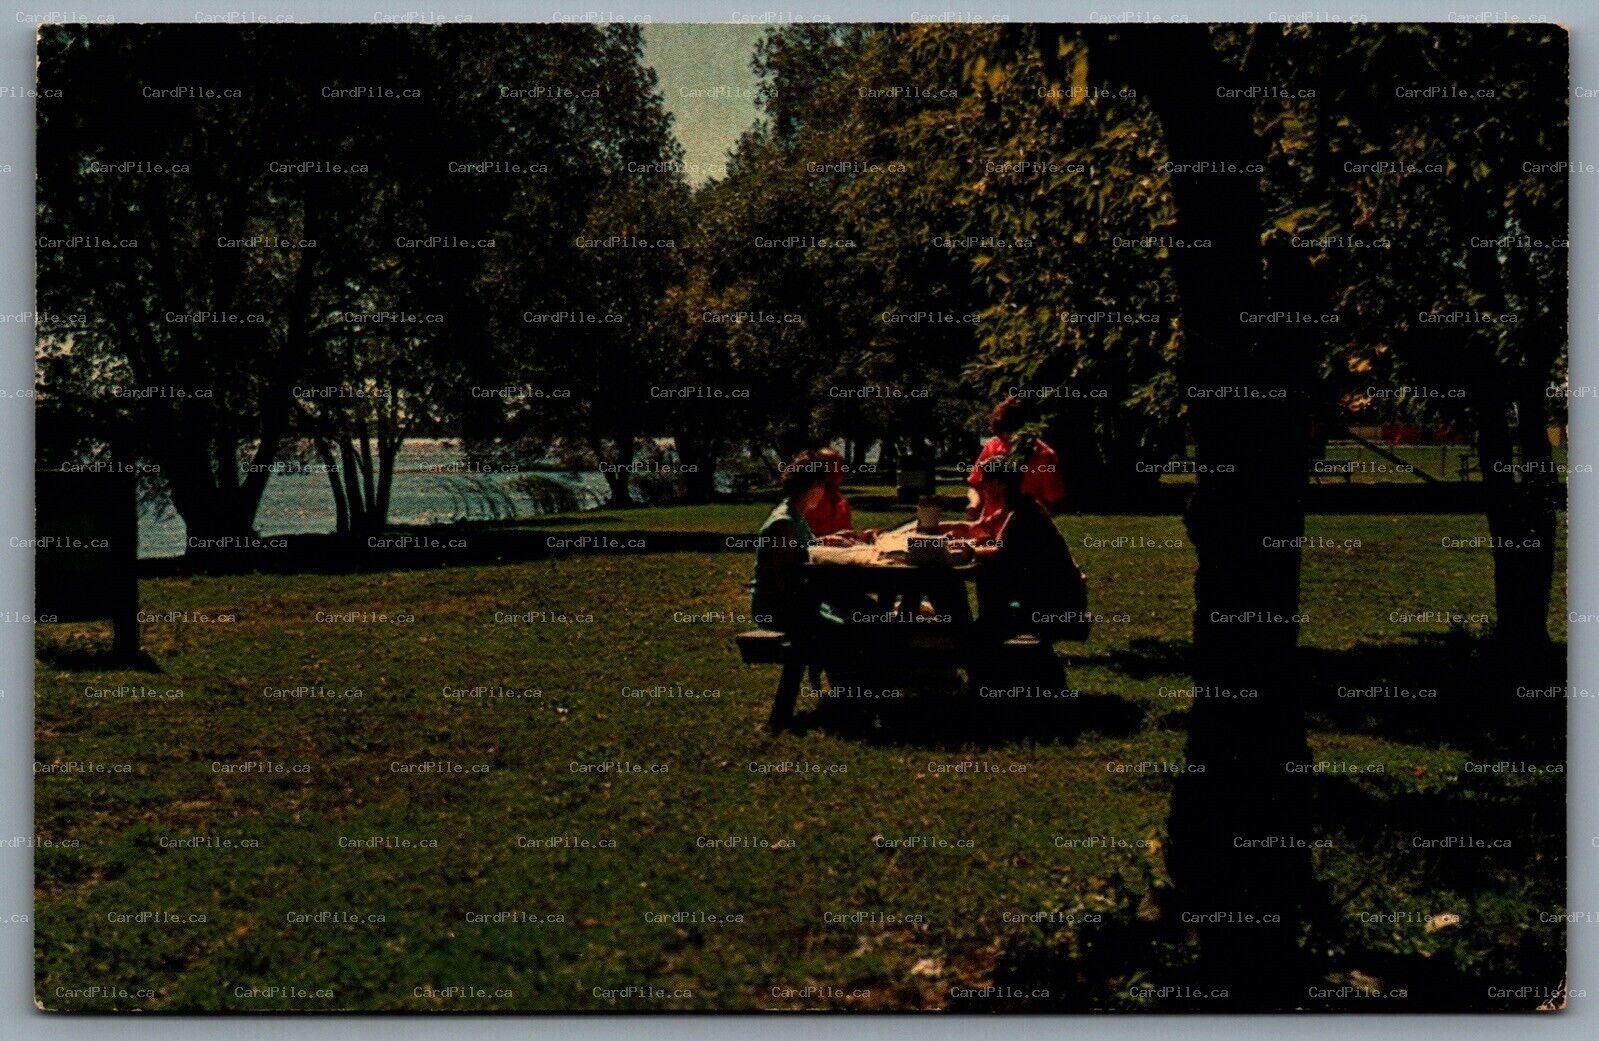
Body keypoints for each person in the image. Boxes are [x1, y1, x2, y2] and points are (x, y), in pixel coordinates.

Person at [967, 396, 1067, 529]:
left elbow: (1053, 501)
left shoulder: (1044, 457)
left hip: (1026, 529)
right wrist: (974, 505)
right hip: (988, 526)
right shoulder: (992, 446)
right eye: (1001, 432)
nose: (1006, 437)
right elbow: (975, 484)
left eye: (1011, 432)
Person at [801, 447, 855, 538]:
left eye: (839, 472)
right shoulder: (805, 504)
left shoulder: (842, 504)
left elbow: (848, 537)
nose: (836, 478)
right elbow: (796, 544)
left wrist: (864, 537)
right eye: (830, 472)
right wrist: (826, 540)